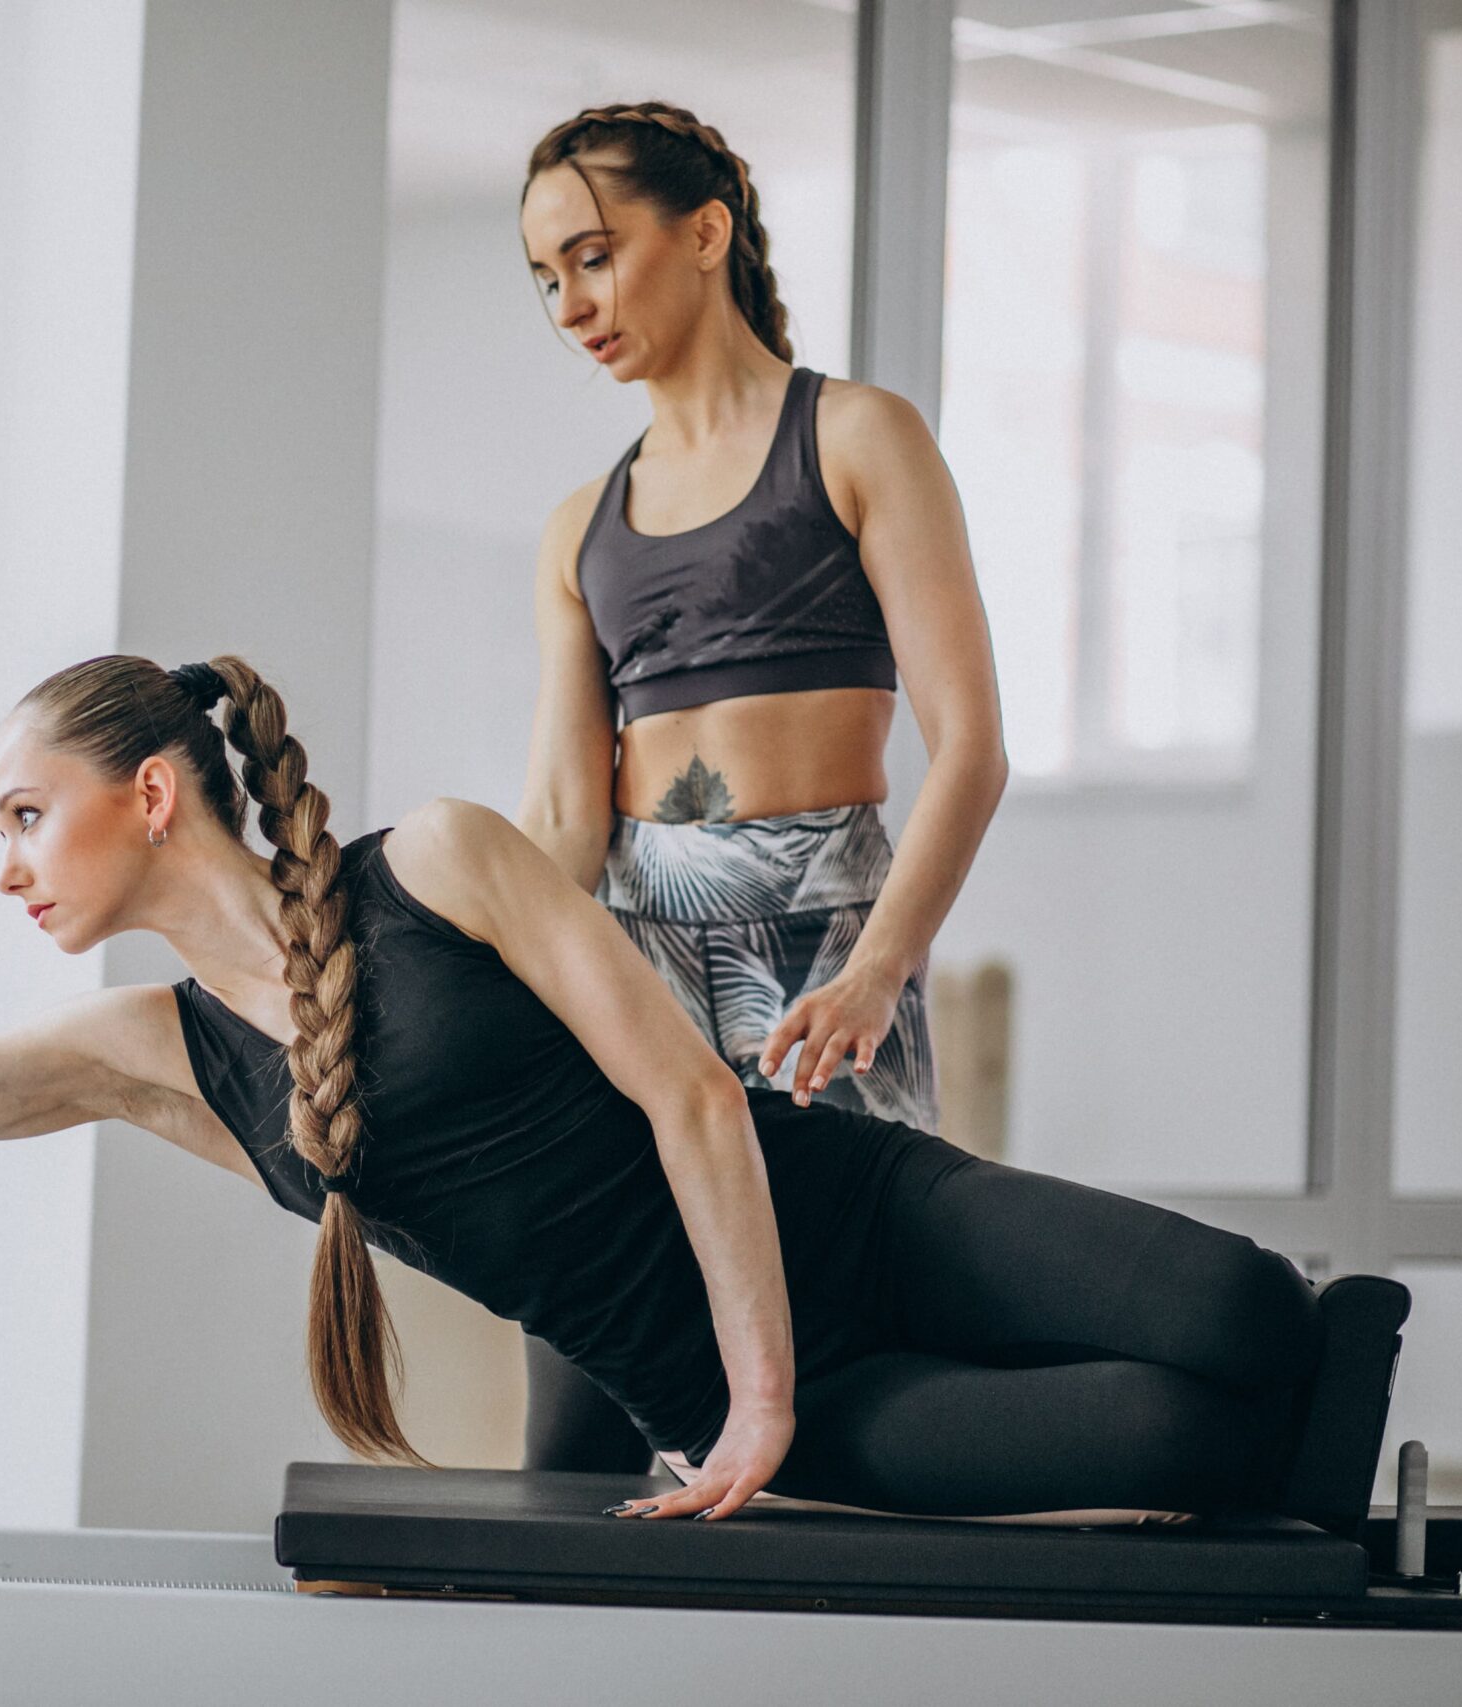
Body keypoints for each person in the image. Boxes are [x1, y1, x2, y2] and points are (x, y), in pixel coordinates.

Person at [0, 653, 1317, 1526]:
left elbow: (693, 1099)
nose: (5, 865)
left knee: (1245, 1309)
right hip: (779, 1413)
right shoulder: (158, 1056)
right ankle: (1337, 1462)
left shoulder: (447, 865)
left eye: (22, 815)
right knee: (1178, 1450)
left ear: (151, 792)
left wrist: (762, 1391)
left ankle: (1346, 1398)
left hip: (851, 1225)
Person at [512, 102, 1010, 1475]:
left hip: (822, 955)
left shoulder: (857, 439)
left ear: (706, 231)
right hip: (637, 952)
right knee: (600, 1365)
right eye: (547, 277)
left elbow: (969, 747)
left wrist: (877, 973)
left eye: (594, 257)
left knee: (839, 1349)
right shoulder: (577, 528)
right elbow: (565, 825)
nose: (571, 305)